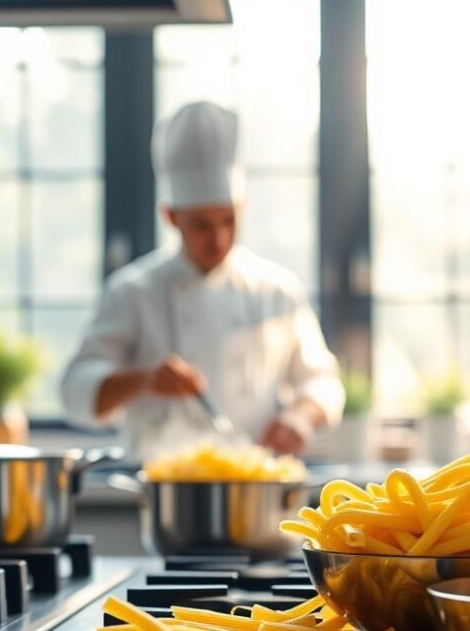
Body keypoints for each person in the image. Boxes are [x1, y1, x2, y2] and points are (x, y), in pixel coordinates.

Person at [61, 101, 344, 459]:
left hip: (253, 486)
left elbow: (323, 381)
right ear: (171, 217)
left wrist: (300, 417)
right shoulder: (132, 291)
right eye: (202, 225)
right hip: (162, 488)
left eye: (229, 220)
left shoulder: (278, 291)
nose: (219, 239)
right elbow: (74, 391)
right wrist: (144, 379)